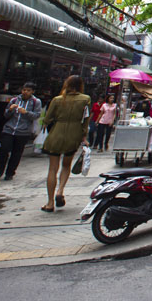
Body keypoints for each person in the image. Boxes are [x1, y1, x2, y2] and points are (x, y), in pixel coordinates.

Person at [40, 75, 91, 212]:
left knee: (52, 168)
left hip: (57, 133)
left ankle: (50, 203)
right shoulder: (85, 99)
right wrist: (84, 137)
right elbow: (85, 120)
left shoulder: (57, 100)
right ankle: (60, 191)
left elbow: (47, 119)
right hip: (73, 135)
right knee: (66, 165)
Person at [0, 81, 42, 181]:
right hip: (9, 129)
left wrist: (26, 113)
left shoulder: (36, 102)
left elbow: (37, 115)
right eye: (24, 90)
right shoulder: (14, 100)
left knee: (16, 153)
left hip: (23, 131)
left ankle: (10, 173)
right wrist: (10, 110)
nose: (25, 92)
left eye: (28, 90)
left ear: (32, 91)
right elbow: (6, 115)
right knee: (3, 150)